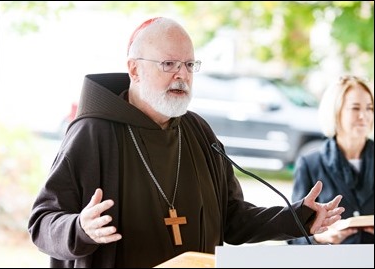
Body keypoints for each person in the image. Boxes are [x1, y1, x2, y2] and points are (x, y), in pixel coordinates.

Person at [28, 17, 345, 268]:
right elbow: (43, 223)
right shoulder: (93, 132)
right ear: (134, 69)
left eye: (189, 64)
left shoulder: (197, 131)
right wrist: (80, 228)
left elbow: (232, 218)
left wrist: (298, 217)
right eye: (168, 64)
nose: (182, 75)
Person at [288, 75, 374, 245]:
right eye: (355, 108)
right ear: (335, 112)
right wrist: (320, 238)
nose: (364, 116)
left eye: (370, 108)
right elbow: (293, 236)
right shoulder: (310, 164)